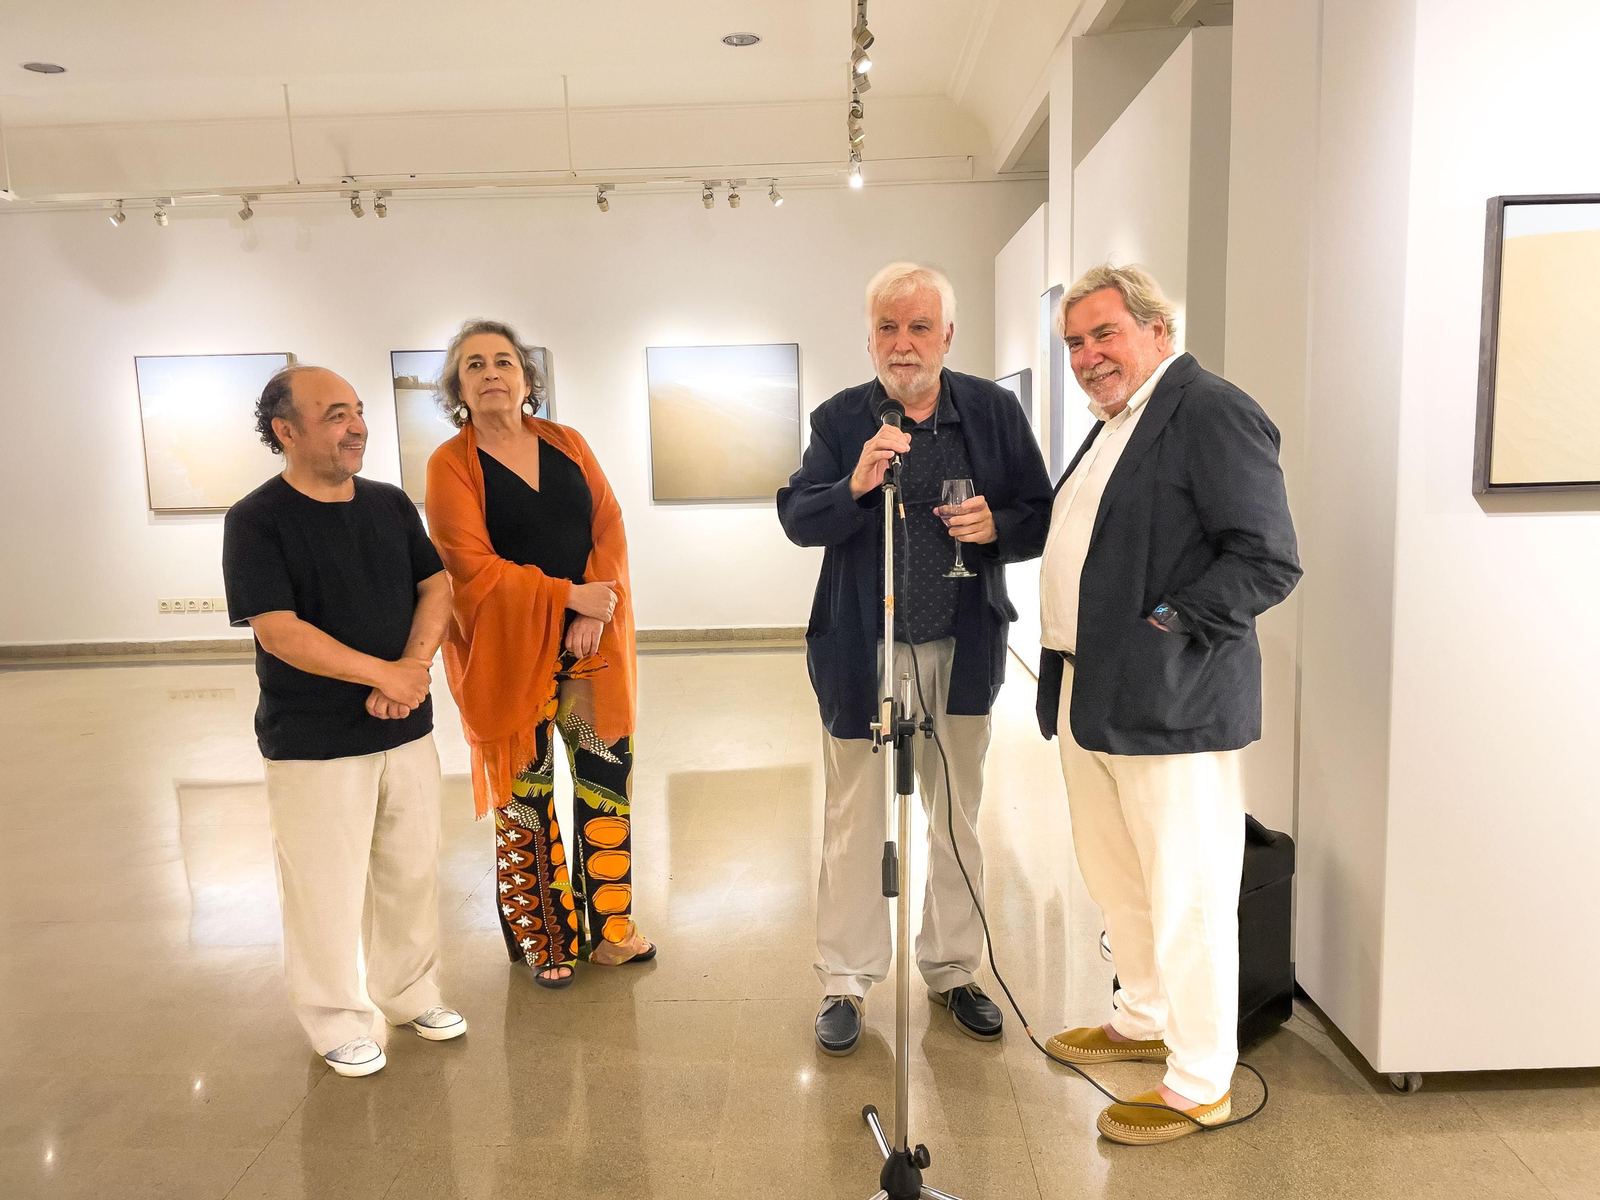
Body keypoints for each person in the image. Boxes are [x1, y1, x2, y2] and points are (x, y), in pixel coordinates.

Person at [1035, 264, 1301, 1144]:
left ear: (1157, 328)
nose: (1087, 356)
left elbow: (1267, 558)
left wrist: (1166, 620)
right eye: (1074, 342)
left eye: (1103, 334)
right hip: (1092, 693)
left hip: (1173, 699)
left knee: (1185, 889)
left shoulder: (1208, 408)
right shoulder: (1116, 422)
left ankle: (1198, 1078)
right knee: (1120, 879)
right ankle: (1143, 1017)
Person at [778, 263, 1054, 1056]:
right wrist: (855, 487)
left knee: (956, 817)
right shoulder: (840, 419)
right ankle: (845, 980)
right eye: (888, 330)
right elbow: (799, 516)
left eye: (919, 327)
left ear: (948, 337)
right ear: (869, 339)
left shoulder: (994, 414)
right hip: (861, 655)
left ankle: (955, 968)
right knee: (853, 819)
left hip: (961, 650)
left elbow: (1040, 515)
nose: (904, 345)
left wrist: (995, 525)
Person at [222, 365, 466, 1079]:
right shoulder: (256, 520)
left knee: (411, 872)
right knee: (324, 886)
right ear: (285, 430)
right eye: (334, 414)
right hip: (313, 743)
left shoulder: (390, 505)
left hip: (405, 728)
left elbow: (436, 587)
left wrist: (413, 669)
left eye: (357, 411)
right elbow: (279, 631)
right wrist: (381, 674)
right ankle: (336, 1019)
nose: (355, 425)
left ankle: (408, 992)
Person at [425, 319, 653, 989]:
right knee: (525, 799)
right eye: (475, 365)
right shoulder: (450, 464)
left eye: (504, 361)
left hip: (592, 649)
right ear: (458, 387)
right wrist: (568, 599)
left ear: (527, 378)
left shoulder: (568, 443)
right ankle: (546, 937)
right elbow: (470, 567)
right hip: (509, 656)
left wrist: (594, 609)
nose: (492, 372)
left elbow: (608, 528)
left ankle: (612, 930)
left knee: (604, 785)